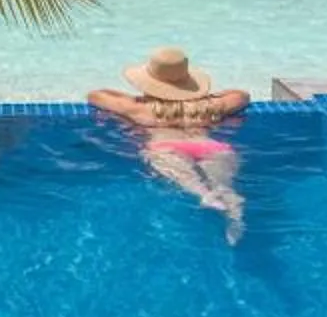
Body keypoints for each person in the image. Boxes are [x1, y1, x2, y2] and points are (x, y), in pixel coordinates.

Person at [90, 47, 251, 239]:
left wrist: (132, 97)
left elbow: (95, 95)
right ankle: (235, 217)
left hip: (165, 148)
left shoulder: (139, 109)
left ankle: (204, 195)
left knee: (195, 186)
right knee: (225, 187)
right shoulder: (209, 108)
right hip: (214, 148)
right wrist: (202, 98)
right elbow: (242, 95)